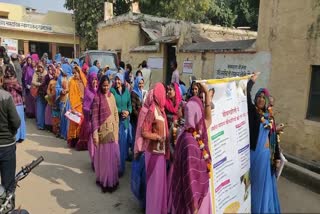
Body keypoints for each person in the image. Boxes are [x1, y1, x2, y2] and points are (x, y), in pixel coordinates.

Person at [169, 83, 213, 214]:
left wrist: (206, 95)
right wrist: (193, 207)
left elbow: (208, 119)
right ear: (197, 114)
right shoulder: (189, 141)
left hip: (199, 194)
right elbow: (190, 177)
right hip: (193, 201)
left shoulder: (195, 133)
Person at [247, 73, 281, 213]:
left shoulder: (269, 117)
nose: (261, 99)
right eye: (259, 96)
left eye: (263, 97)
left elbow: (273, 137)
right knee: (252, 185)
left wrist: (277, 156)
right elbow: (246, 96)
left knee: (262, 186)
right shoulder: (253, 113)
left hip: (266, 157)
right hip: (254, 154)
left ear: (267, 101)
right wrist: (251, 82)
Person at [141, 83, 169, 214]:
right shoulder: (152, 109)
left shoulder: (161, 110)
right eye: (162, 93)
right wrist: (157, 137)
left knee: (159, 186)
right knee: (153, 187)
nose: (164, 95)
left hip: (161, 154)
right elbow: (144, 132)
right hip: (153, 153)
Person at [92, 75, 120, 193]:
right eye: (104, 85)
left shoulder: (112, 96)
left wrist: (116, 130)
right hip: (103, 133)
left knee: (112, 159)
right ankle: (105, 182)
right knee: (104, 160)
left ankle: (112, 181)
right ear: (100, 85)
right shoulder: (97, 98)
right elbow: (94, 118)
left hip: (112, 132)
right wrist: (95, 135)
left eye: (107, 85)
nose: (106, 88)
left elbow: (115, 114)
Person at [0, 66, 20, 192]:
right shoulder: (6, 97)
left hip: (6, 144)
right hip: (6, 145)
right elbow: (16, 122)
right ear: (1, 80)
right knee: (8, 185)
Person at [110, 73, 132, 176]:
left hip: (125, 122)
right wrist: (121, 111)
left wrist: (128, 111)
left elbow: (130, 105)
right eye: (116, 79)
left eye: (119, 80)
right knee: (116, 146)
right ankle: (115, 168)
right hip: (116, 122)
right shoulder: (112, 91)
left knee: (123, 147)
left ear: (123, 81)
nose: (118, 81)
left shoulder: (127, 91)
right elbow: (111, 106)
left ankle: (121, 168)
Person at [78, 72, 98, 162]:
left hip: (98, 120)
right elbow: (85, 106)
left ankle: (97, 160)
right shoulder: (87, 90)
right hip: (90, 120)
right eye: (92, 79)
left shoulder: (98, 90)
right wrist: (90, 111)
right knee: (91, 141)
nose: (94, 81)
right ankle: (93, 160)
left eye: (95, 79)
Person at [3, 64, 25, 143]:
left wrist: (14, 85)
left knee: (17, 120)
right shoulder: (9, 80)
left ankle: (19, 136)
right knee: (16, 119)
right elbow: (20, 89)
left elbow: (21, 89)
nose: (8, 73)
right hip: (14, 102)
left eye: (9, 71)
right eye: (7, 71)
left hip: (15, 102)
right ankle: (18, 136)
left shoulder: (10, 80)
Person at [68, 66, 87, 148]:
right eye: (73, 73)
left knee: (82, 124)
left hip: (84, 106)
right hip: (76, 106)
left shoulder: (84, 81)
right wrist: (75, 104)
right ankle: (74, 142)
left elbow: (88, 92)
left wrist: (85, 99)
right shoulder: (72, 82)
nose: (74, 75)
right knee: (75, 123)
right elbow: (71, 95)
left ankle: (82, 142)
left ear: (80, 73)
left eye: (76, 73)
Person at [56, 65, 72, 139]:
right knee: (63, 116)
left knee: (69, 117)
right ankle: (63, 133)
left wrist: (69, 90)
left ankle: (68, 134)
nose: (62, 72)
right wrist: (60, 91)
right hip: (63, 98)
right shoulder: (60, 77)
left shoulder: (72, 78)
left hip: (70, 99)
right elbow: (57, 87)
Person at [131, 76, 146, 145]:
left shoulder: (142, 92)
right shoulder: (134, 93)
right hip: (136, 119)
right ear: (136, 83)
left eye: (142, 83)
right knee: (136, 136)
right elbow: (133, 108)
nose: (141, 85)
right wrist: (139, 117)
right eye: (139, 83)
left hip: (141, 118)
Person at [32, 64, 48, 130]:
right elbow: (33, 81)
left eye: (41, 67)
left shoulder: (46, 72)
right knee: (40, 109)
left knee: (45, 109)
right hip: (39, 93)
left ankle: (45, 124)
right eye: (39, 67)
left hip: (45, 93)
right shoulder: (36, 73)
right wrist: (40, 84)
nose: (40, 68)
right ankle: (40, 125)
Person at [46, 67, 60, 136]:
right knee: (54, 115)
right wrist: (49, 94)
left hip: (60, 100)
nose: (54, 75)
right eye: (54, 73)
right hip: (52, 100)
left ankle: (59, 130)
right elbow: (48, 89)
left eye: (56, 73)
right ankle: (54, 130)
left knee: (59, 116)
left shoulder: (60, 81)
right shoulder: (51, 81)